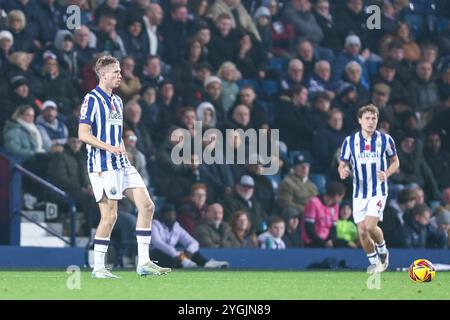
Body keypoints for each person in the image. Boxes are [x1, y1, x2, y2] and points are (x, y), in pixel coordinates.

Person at [78, 55, 170, 278]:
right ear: (103, 74)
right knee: (110, 216)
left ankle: (144, 262)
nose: (120, 75)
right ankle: (98, 268)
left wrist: (123, 155)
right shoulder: (91, 100)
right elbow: (83, 134)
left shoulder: (118, 101)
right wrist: (108, 147)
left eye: (120, 71)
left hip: (121, 164)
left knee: (147, 206)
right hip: (102, 165)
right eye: (116, 72)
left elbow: (117, 134)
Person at [338, 104, 400, 273]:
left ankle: (383, 250)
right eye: (367, 118)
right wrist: (342, 171)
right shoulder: (350, 142)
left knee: (371, 226)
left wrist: (386, 174)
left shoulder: (386, 140)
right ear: (360, 120)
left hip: (378, 190)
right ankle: (376, 263)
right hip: (359, 193)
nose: (371, 122)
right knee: (363, 232)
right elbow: (342, 164)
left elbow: (395, 161)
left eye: (374, 118)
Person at [151, 204, 229, 269]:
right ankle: (184, 263)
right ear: (162, 215)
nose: (171, 217)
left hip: (173, 257)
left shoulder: (176, 227)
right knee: (165, 253)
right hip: (154, 257)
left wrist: (189, 251)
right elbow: (158, 243)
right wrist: (179, 256)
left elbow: (193, 242)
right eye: (168, 215)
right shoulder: (154, 225)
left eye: (173, 215)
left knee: (192, 251)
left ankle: (206, 263)